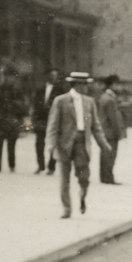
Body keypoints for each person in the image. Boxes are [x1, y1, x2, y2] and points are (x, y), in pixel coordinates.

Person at [45, 72, 112, 218]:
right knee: (64, 179)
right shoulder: (60, 101)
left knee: (84, 177)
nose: (87, 87)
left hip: (82, 144)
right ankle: (67, 208)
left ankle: (82, 196)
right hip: (64, 145)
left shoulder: (89, 102)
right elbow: (52, 125)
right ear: (76, 85)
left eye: (86, 84)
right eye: (84, 84)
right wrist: (50, 145)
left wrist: (104, 144)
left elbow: (96, 126)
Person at [0, 66, 28, 173]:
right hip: (0, 120)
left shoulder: (17, 90)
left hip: (13, 121)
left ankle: (12, 165)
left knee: (11, 145)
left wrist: (16, 109)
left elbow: (24, 105)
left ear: (13, 78)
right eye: (5, 76)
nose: (7, 78)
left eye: (9, 76)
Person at [32, 66, 66, 174]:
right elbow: (35, 106)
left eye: (55, 76)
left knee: (53, 144)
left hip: (53, 121)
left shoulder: (60, 90)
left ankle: (51, 167)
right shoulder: (40, 90)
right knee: (39, 144)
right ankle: (40, 166)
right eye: (51, 75)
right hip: (41, 120)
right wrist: (35, 120)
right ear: (47, 76)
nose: (53, 78)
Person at [97, 74, 126, 184]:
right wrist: (119, 133)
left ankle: (104, 177)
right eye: (116, 84)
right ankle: (108, 178)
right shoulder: (110, 99)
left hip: (104, 131)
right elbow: (114, 119)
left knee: (105, 155)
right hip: (110, 132)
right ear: (112, 84)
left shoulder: (104, 97)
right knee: (110, 156)